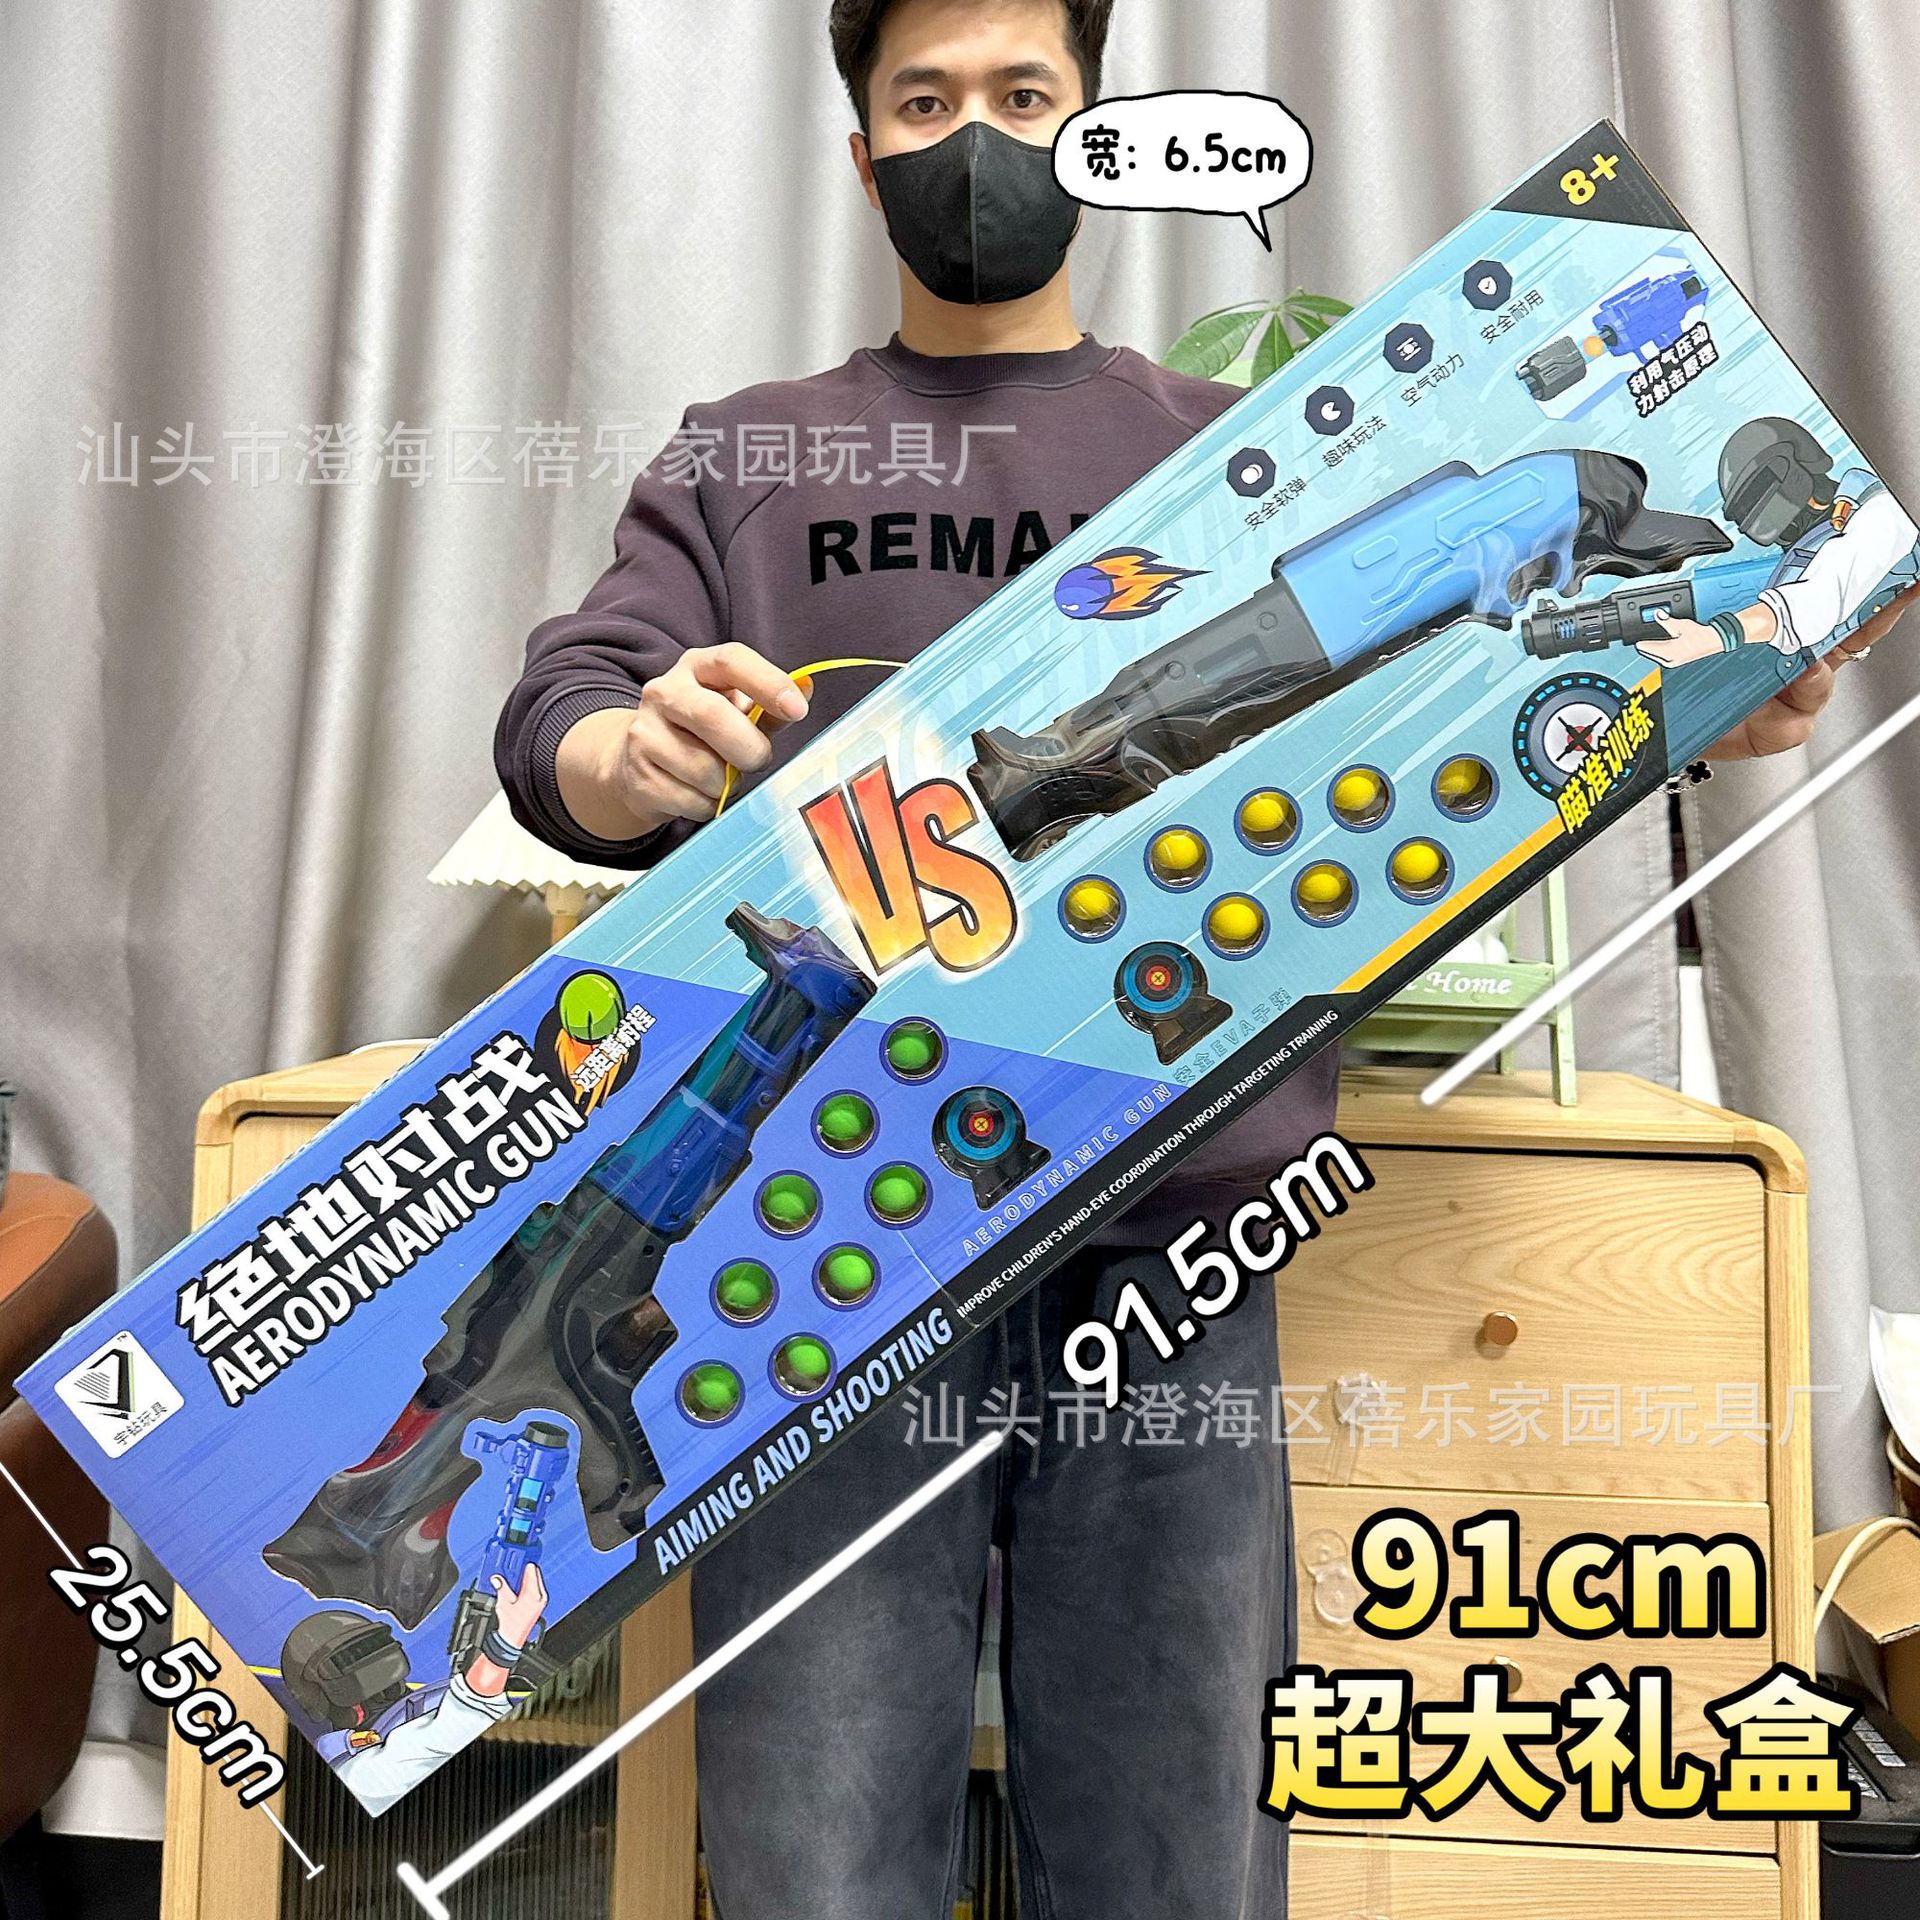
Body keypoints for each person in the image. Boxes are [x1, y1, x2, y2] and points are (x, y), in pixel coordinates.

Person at [494, 4, 1896, 1911]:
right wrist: (617, 747)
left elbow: (1475, 701)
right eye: (925, 101)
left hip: (1172, 1232)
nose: (975, 141)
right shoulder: (750, 454)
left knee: (1180, 1863)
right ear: (863, 152)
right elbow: (574, 701)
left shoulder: (1231, 448)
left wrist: (1716, 693)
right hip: (832, 1255)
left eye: (1024, 97)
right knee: (817, 1865)